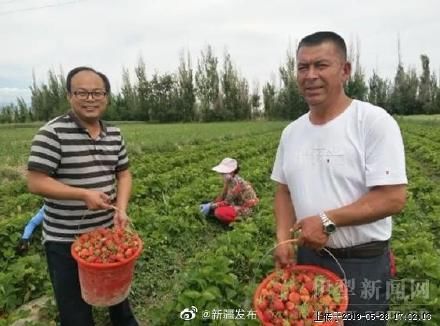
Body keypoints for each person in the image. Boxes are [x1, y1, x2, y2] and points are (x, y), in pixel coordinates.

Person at [271, 31, 407, 325]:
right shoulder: (291, 133)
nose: (310, 75)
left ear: (345, 70)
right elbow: (283, 190)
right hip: (308, 258)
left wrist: (326, 220)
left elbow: (393, 197)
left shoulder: (372, 122)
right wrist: (283, 239)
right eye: (302, 67)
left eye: (321, 65)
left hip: (361, 263)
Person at [27, 66, 138, 326]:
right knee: (75, 311)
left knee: (119, 298)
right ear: (69, 96)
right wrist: (81, 194)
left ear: (107, 97)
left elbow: (124, 174)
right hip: (65, 241)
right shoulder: (51, 134)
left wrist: (121, 210)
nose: (91, 99)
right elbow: (35, 181)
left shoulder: (114, 134)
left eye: (97, 92)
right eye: (82, 93)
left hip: (106, 235)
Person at [200, 157, 259, 224]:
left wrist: (211, 206)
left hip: (246, 208)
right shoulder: (230, 180)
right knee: (207, 202)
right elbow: (223, 196)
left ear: (232, 172)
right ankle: (214, 212)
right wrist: (226, 185)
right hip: (234, 203)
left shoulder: (237, 184)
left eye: (223, 173)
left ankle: (239, 221)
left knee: (219, 212)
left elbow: (227, 202)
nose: (221, 175)